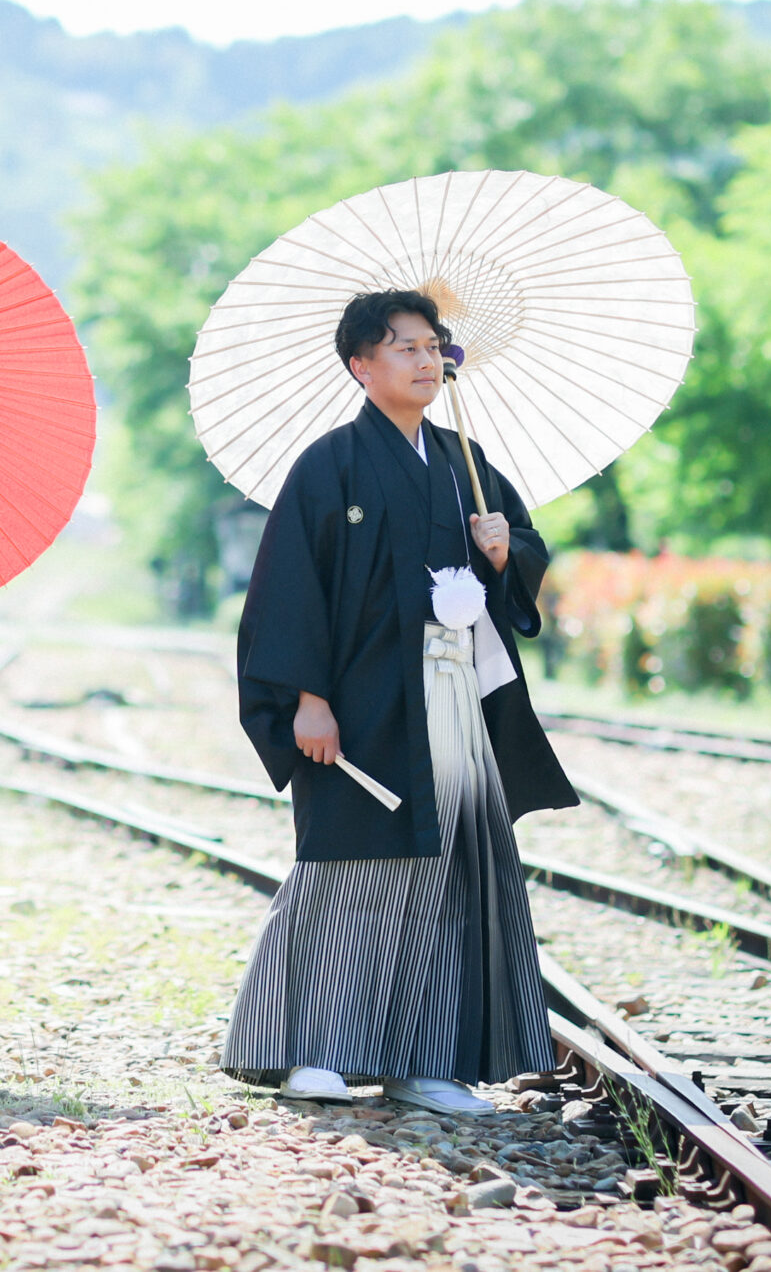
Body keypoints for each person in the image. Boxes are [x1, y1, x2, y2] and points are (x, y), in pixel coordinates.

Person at [220, 288, 578, 1114]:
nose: (426, 361)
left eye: (433, 347)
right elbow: (290, 592)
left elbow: (524, 562)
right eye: (405, 347)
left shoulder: (467, 464)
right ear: (361, 365)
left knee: (452, 868)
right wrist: (306, 699)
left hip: (453, 693)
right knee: (348, 867)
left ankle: (428, 1062)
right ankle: (312, 1048)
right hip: (361, 701)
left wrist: (504, 551)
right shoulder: (329, 464)